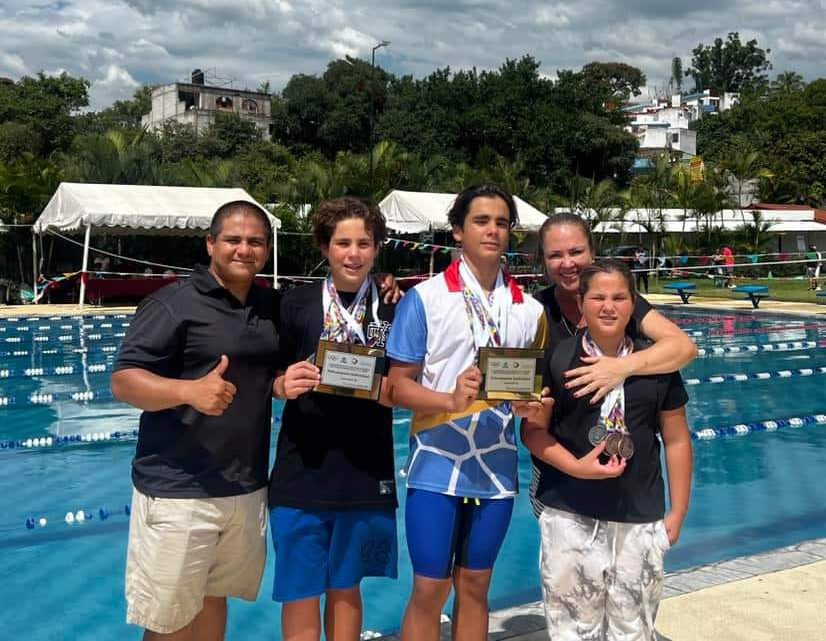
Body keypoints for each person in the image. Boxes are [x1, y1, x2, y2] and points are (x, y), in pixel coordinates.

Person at [112, 200, 280, 641]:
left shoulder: (268, 305)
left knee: (212, 602)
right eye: (234, 239)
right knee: (169, 622)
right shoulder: (173, 304)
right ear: (211, 243)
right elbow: (124, 382)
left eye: (256, 241)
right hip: (179, 489)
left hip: (244, 488)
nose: (244, 249)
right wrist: (187, 391)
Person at [386, 183, 547, 641]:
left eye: (502, 222)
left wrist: (529, 403)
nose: (493, 230)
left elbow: (530, 389)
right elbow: (398, 387)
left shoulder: (529, 309)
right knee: (430, 588)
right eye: (481, 221)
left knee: (476, 586)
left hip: (496, 467)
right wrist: (450, 401)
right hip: (437, 463)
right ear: (457, 231)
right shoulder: (426, 299)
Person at [523, 258, 693, 640]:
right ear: (581, 303)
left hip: (639, 514)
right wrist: (574, 466)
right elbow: (533, 432)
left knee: (633, 627)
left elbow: (677, 439)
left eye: (619, 297)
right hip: (570, 513)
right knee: (572, 628)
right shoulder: (560, 358)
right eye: (597, 296)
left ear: (634, 304)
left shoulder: (658, 362)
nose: (608, 306)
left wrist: (678, 511)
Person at [269, 197, 399, 641]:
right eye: (342, 242)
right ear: (325, 247)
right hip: (301, 469)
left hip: (365, 469)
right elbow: (267, 371)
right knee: (300, 591)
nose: (353, 253)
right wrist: (280, 383)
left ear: (377, 248)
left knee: (346, 588)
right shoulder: (295, 304)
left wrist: (390, 391)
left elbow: (412, 377)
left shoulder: (394, 304)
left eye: (364, 243)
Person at [534, 212, 697, 404]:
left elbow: (684, 348)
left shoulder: (619, 302)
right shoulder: (533, 309)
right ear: (544, 260)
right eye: (555, 255)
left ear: (592, 253)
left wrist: (620, 367)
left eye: (576, 252)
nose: (567, 263)